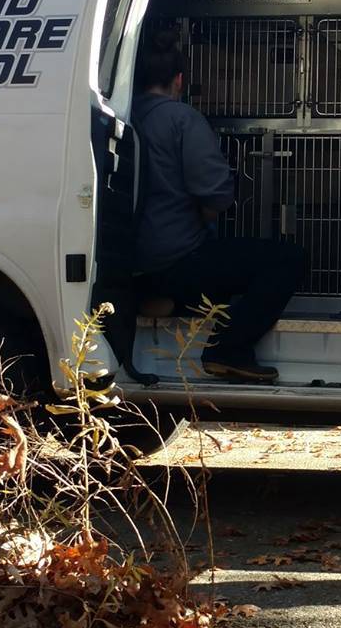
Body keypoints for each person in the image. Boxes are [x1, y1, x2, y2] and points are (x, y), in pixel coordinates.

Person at [131, 24, 306, 384]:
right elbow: (216, 196)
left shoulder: (120, 117)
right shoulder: (181, 119)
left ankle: (155, 296)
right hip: (176, 260)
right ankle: (229, 350)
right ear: (179, 80)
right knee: (287, 259)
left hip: (128, 264)